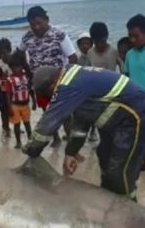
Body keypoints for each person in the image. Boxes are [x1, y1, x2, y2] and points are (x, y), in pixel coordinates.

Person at [23, 64, 145, 200]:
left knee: (119, 171)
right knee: (104, 155)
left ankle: (128, 207)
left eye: (49, 95)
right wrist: (71, 152)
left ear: (52, 87)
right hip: (117, 121)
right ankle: (109, 197)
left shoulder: (67, 86)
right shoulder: (75, 78)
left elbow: (48, 123)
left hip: (135, 118)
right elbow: (82, 120)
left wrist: (31, 150)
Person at [19, 6, 77, 147]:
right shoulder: (27, 37)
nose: (36, 27)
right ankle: (55, 138)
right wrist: (28, 72)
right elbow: (19, 53)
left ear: (47, 20)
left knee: (65, 114)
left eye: (39, 23)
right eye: (32, 25)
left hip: (59, 83)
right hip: (40, 85)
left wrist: (66, 79)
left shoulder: (59, 35)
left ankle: (71, 143)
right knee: (48, 113)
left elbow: (73, 58)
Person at [6, 51, 35, 149]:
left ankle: (30, 140)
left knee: (27, 124)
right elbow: (8, 94)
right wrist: (9, 108)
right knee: (17, 125)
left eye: (18, 66)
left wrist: (34, 102)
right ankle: (18, 142)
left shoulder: (25, 77)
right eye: (14, 67)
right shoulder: (10, 79)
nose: (17, 69)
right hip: (15, 105)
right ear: (11, 67)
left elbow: (30, 90)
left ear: (22, 66)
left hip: (26, 105)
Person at [76, 32, 97, 142]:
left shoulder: (94, 56)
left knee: (94, 112)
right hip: (82, 90)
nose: (85, 46)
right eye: (82, 44)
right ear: (78, 46)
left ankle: (93, 131)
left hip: (94, 89)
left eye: (87, 43)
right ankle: (82, 132)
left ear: (91, 44)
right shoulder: (78, 59)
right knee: (83, 112)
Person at [0, 38, 13, 137]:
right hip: (5, 89)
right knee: (4, 109)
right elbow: (2, 76)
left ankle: (17, 125)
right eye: (0, 54)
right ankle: (6, 128)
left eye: (4, 52)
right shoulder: (0, 63)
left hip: (15, 88)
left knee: (18, 107)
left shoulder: (16, 59)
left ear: (9, 50)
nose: (2, 55)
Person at [125, 14, 145, 89]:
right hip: (133, 98)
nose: (132, 40)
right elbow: (126, 77)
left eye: (136, 36)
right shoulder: (129, 54)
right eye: (130, 36)